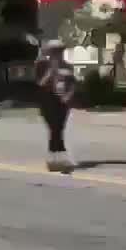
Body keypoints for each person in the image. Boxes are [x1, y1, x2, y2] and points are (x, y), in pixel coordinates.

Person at [35, 41, 76, 172]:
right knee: (54, 129)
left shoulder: (68, 66)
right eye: (55, 51)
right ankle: (58, 158)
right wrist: (51, 71)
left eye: (60, 51)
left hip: (62, 102)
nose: (58, 53)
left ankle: (55, 159)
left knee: (59, 128)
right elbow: (40, 84)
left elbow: (73, 84)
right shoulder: (41, 65)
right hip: (47, 102)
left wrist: (68, 96)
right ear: (49, 52)